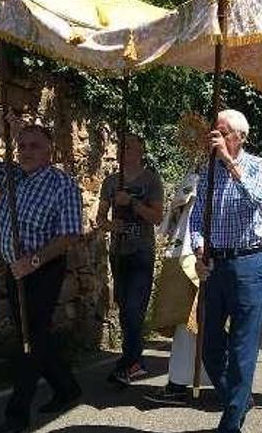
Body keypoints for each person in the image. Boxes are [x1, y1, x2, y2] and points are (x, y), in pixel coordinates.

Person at [0, 112, 82, 433]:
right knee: (33, 337)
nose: (25, 151)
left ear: (50, 152)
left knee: (28, 341)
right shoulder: (10, 175)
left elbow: (70, 234)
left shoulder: (63, 185)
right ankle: (67, 388)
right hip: (14, 269)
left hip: (42, 269)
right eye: (22, 145)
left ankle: (16, 417)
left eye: (34, 146)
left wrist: (31, 261)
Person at [190, 109, 262, 433]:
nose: (216, 137)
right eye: (215, 131)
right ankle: (238, 399)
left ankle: (231, 422)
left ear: (239, 137)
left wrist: (228, 161)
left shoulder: (260, 166)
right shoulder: (206, 170)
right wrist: (199, 250)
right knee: (210, 346)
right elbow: (197, 219)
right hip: (215, 264)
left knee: (242, 347)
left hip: (249, 263)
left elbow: (254, 199)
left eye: (223, 132)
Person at [144, 124, 210, 405]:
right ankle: (180, 382)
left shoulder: (224, 180)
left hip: (209, 255)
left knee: (212, 325)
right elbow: (173, 217)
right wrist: (181, 202)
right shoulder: (192, 178)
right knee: (186, 325)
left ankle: (224, 381)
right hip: (185, 249)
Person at [99, 135, 165, 385]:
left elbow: (156, 217)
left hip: (141, 252)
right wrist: (109, 224)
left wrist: (133, 203)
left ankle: (132, 360)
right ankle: (131, 358)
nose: (124, 151)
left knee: (134, 309)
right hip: (118, 251)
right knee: (124, 308)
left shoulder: (151, 180)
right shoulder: (111, 181)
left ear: (141, 151)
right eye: (121, 146)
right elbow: (100, 218)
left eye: (130, 147)